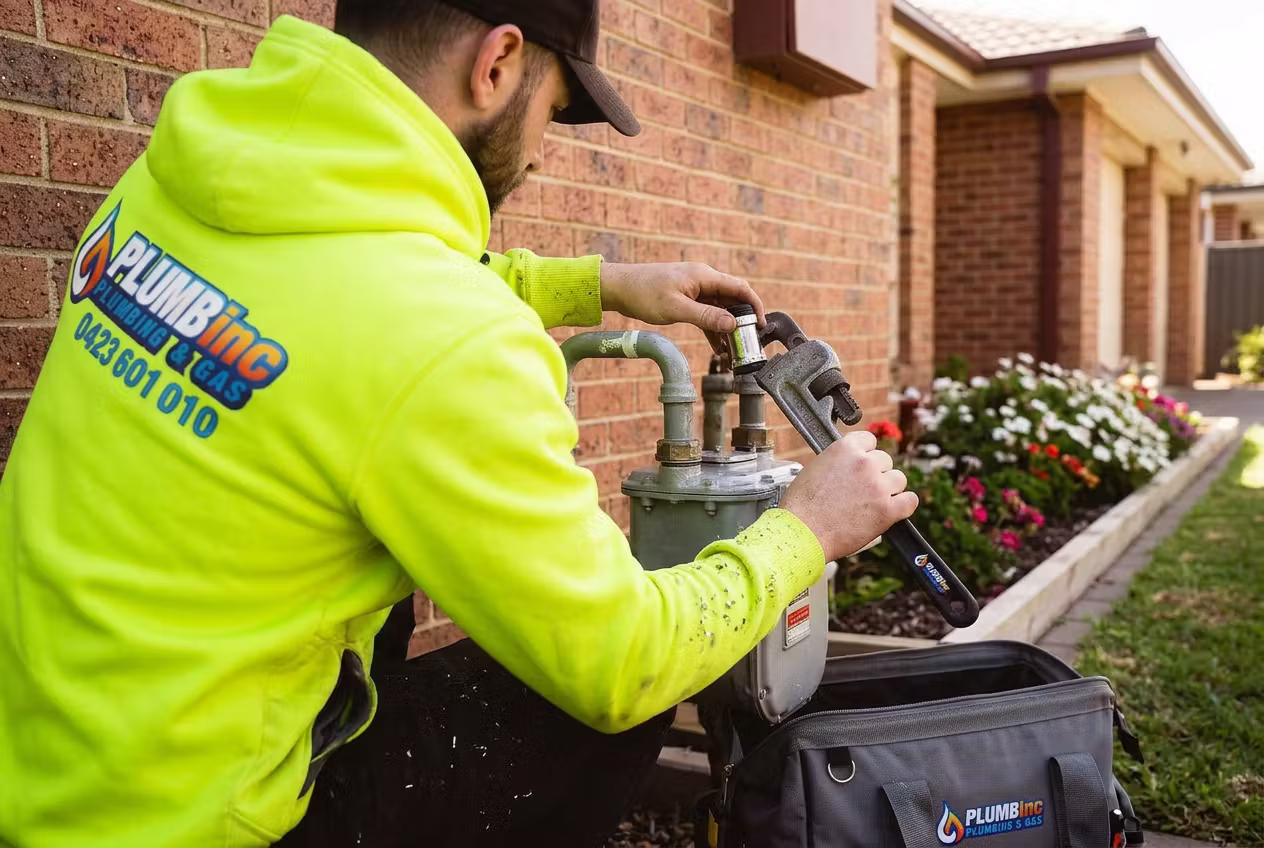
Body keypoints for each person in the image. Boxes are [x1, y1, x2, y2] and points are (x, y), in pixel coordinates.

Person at [0, 0, 917, 845]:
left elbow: (352, 287)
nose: (545, 150)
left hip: (44, 755)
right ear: (499, 63)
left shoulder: (179, 175)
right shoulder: (446, 341)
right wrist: (805, 529)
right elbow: (623, 660)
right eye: (555, 111)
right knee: (611, 710)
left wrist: (596, 284)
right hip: (187, 821)